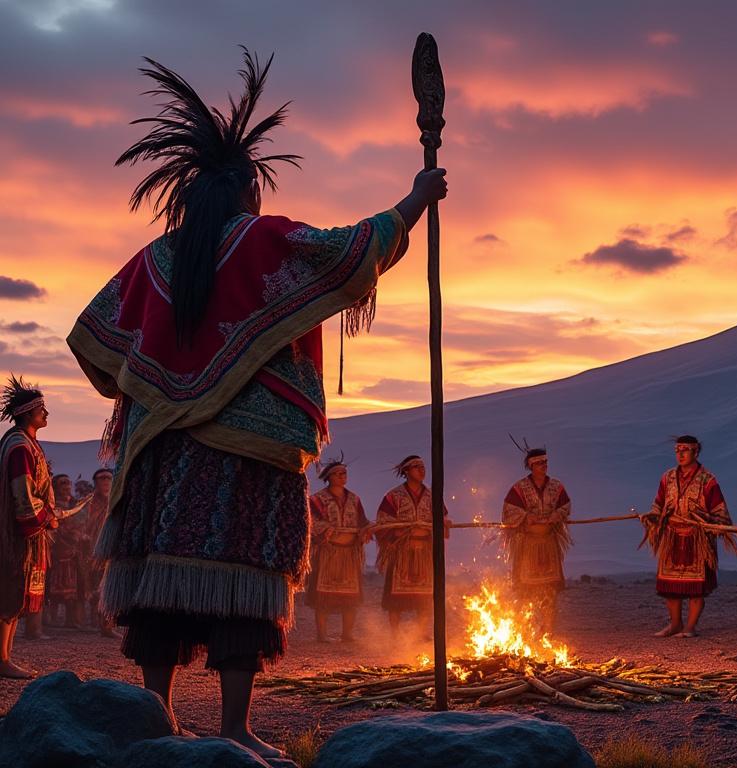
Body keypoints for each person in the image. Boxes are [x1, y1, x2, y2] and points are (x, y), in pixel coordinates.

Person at [67, 51, 446, 757]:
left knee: (159, 586)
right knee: (245, 584)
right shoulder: (264, 241)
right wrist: (416, 200)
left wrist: (170, 385)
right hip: (249, 447)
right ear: (247, 190)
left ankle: (157, 719)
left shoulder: (158, 258)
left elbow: (94, 338)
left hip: (159, 448)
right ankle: (234, 728)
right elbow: (347, 255)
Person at [642, 435, 734, 638]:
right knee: (670, 587)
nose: (680, 454)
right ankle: (675, 624)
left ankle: (690, 627)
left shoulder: (707, 479)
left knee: (696, 589)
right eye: (677, 450)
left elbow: (720, 513)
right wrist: (652, 517)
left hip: (697, 540)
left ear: (696, 451)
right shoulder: (667, 478)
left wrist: (707, 521)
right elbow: (658, 504)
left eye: (685, 450)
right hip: (672, 538)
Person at [0, 376, 60, 678]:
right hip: (17, 533)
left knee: (14, 592)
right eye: (41, 409)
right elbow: (22, 494)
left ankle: (5, 656)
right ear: (27, 413)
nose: (46, 413)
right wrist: (45, 517)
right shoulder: (20, 447)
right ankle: (2, 659)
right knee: (9, 591)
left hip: (22, 532)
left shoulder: (23, 443)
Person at [501, 444, 572, 632]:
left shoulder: (556, 486)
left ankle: (548, 630)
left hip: (549, 543)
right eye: (540, 463)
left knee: (550, 589)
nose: (544, 466)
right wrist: (526, 516)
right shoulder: (520, 488)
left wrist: (556, 515)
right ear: (531, 466)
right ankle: (527, 629)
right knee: (527, 590)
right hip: (528, 545)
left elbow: (565, 506)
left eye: (546, 462)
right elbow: (508, 509)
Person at [306, 457, 369, 642]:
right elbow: (310, 521)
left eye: (344, 473)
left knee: (351, 597)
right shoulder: (317, 499)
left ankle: (347, 634)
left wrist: (365, 530)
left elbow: (362, 521)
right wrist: (327, 529)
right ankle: (322, 635)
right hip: (328, 553)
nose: (342, 476)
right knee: (322, 598)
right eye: (338, 474)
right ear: (329, 477)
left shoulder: (354, 499)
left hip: (349, 553)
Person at [376, 456, 440, 636]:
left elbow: (441, 518)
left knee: (425, 598)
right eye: (416, 467)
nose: (422, 470)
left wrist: (442, 523)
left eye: (423, 466)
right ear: (406, 471)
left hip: (424, 552)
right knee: (395, 600)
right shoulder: (393, 496)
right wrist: (401, 530)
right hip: (402, 552)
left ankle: (421, 633)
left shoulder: (431, 495)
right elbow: (382, 522)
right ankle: (395, 634)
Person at [44, 473, 85, 630]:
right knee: (52, 587)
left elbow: (81, 524)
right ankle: (50, 620)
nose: (67, 486)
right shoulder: (52, 505)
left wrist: (76, 535)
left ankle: (71, 620)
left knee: (72, 588)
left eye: (68, 483)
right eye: (63, 483)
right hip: (56, 551)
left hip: (72, 552)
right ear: (55, 486)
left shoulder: (75, 505)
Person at [84, 468, 116, 637]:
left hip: (112, 549)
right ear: (95, 482)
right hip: (92, 550)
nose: (105, 481)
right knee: (94, 586)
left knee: (108, 586)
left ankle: (107, 624)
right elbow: (82, 525)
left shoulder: (116, 500)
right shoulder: (88, 503)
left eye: (108, 478)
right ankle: (99, 624)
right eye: (101, 478)